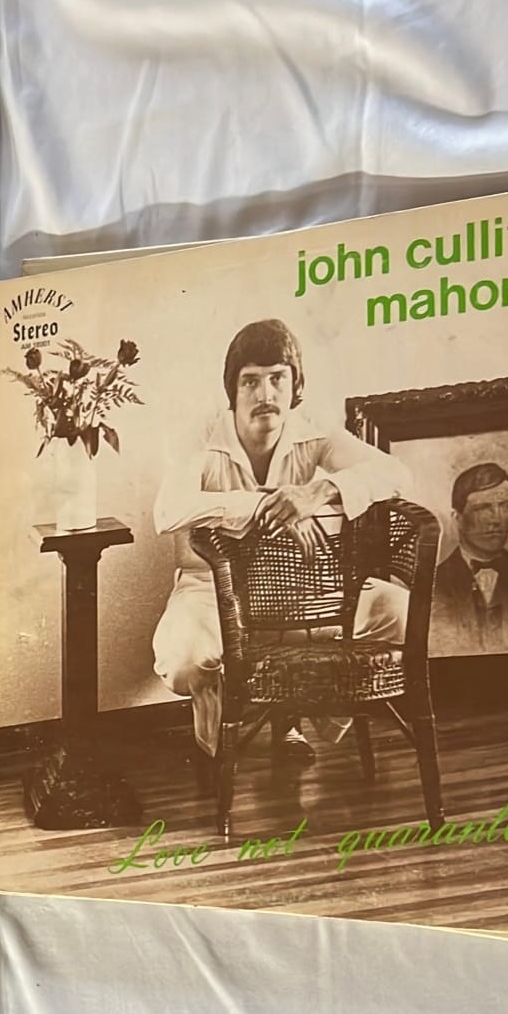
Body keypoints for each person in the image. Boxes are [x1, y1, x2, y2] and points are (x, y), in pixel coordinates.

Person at [151, 317, 412, 759]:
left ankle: (298, 712)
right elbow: (168, 511)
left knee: (401, 612)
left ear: (295, 385)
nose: (266, 395)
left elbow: (398, 474)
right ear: (232, 390)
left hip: (301, 587)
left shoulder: (313, 429)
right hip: (213, 588)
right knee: (184, 659)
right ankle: (219, 738)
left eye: (277, 379)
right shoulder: (201, 434)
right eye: (250, 381)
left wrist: (319, 491)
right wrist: (263, 506)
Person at [432, 462, 508, 654]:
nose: (497, 519)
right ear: (457, 518)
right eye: (483, 508)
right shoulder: (433, 585)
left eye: (505, 506)